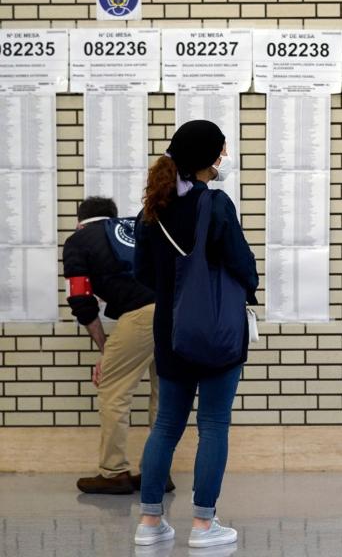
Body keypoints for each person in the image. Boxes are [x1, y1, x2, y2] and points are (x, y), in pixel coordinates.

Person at [132, 120, 258, 549]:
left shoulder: (153, 207)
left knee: (166, 424)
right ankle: (204, 525)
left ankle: (150, 522)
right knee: (214, 425)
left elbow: (142, 273)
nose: (225, 157)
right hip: (217, 329)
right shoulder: (217, 204)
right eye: (222, 150)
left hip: (169, 331)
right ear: (212, 157)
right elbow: (242, 264)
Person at [65, 196, 174, 495]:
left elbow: (80, 299)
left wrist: (104, 347)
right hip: (175, 311)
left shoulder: (78, 240)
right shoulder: (137, 226)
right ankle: (158, 473)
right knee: (163, 394)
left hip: (141, 313)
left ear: (80, 221)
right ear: (112, 217)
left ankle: (113, 473)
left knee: (113, 391)